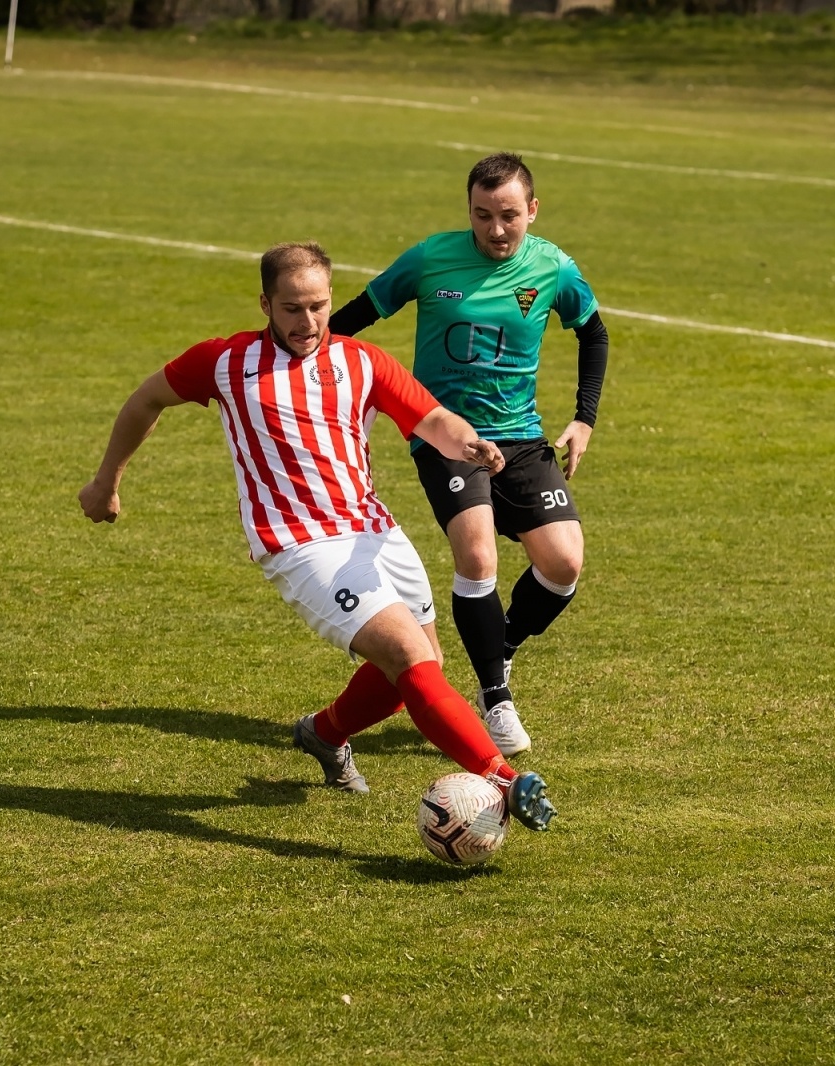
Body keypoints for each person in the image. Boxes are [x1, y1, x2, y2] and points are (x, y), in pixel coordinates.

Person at [78, 241, 557, 832]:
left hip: (372, 530)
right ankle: (504, 781)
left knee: (415, 670)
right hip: (300, 543)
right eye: (292, 309)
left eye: (319, 307)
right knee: (411, 658)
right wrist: (107, 481)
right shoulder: (224, 362)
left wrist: (471, 444)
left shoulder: (362, 361)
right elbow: (148, 398)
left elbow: (431, 419)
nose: (308, 323)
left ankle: (324, 733)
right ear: (265, 304)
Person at [328, 152, 609, 757]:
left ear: (532, 210)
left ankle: (498, 645)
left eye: (509, 215)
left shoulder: (553, 267)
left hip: (522, 435)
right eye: (483, 215)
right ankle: (494, 696)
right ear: (470, 212)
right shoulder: (431, 258)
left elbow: (593, 331)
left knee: (563, 564)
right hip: (445, 433)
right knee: (477, 553)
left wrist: (584, 419)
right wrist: (295, 361)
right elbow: (357, 315)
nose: (497, 229)